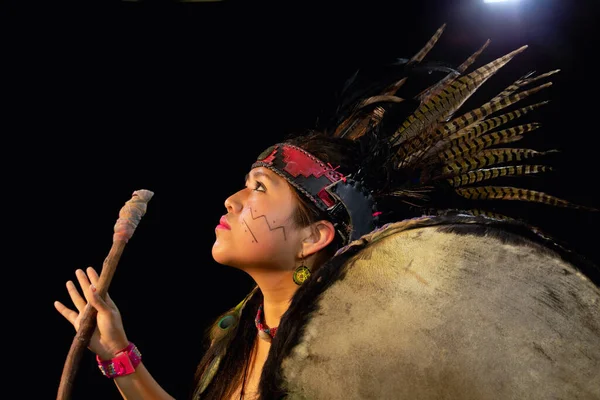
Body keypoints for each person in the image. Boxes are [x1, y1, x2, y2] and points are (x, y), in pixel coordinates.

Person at [54, 24, 600, 400]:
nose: (232, 199)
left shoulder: (367, 351)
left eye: (260, 188)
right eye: (244, 185)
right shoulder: (240, 334)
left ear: (314, 235)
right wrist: (120, 355)